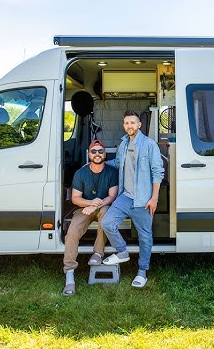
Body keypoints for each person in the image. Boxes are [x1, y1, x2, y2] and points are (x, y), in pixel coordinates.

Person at [101, 110, 164, 288]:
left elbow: (157, 172)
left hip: (143, 200)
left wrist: (154, 199)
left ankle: (142, 271)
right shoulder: (123, 144)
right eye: (127, 123)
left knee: (145, 237)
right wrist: (99, 163)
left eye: (133, 123)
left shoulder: (149, 145)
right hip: (125, 196)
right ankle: (122, 252)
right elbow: (118, 163)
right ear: (124, 125)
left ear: (139, 125)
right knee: (107, 223)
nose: (130, 126)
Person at [62, 139, 118, 296]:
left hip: (102, 207)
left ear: (105, 154)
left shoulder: (112, 172)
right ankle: (70, 274)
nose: (97, 154)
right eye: (94, 151)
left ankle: (98, 253)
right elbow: (75, 198)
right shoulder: (81, 173)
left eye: (100, 151)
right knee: (72, 232)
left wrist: (96, 206)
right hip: (84, 208)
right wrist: (89, 203)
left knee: (106, 216)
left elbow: (112, 196)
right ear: (89, 154)